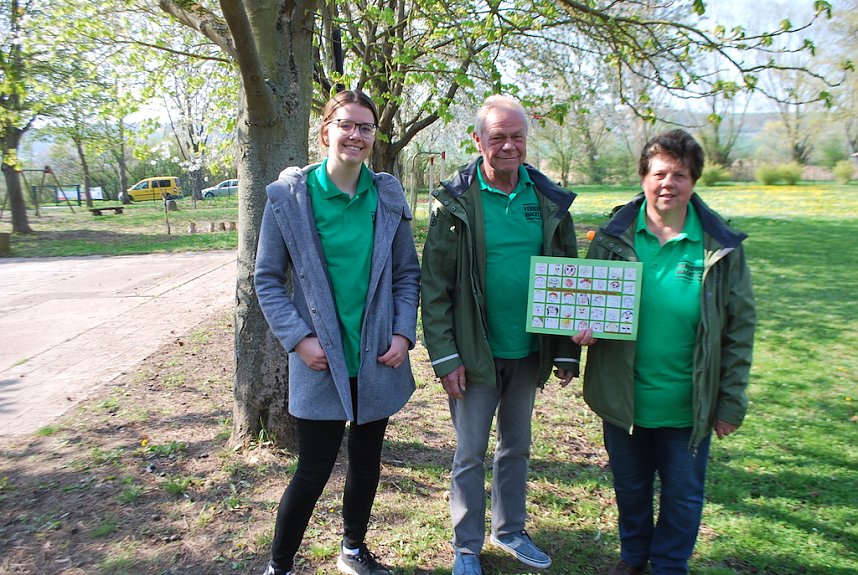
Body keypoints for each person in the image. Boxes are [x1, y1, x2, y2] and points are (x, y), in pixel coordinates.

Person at [572, 129, 755, 575]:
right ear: (643, 177)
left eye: (680, 174)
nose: (667, 183)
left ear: (694, 181)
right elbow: (587, 304)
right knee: (630, 489)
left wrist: (730, 400)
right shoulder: (614, 237)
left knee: (683, 494)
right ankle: (634, 558)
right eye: (659, 173)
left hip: (687, 403)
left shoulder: (718, 246)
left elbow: (739, 328)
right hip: (624, 398)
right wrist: (584, 330)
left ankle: (670, 565)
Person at [254, 90, 420, 575]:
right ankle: (279, 566)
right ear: (325, 130)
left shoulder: (386, 195)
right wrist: (298, 339)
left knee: (367, 464)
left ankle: (353, 550)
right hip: (319, 359)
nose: (356, 135)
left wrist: (403, 333)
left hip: (375, 357)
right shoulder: (290, 197)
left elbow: (407, 273)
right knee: (312, 470)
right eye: (347, 124)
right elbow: (265, 278)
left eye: (366, 127)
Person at [420, 94, 580, 575]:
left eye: (517, 136)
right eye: (497, 137)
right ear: (477, 141)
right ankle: (466, 547)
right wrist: (445, 357)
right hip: (475, 353)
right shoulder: (455, 204)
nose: (508, 146)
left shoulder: (547, 200)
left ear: (526, 140)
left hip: (528, 350)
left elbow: (568, 274)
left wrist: (568, 352)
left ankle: (509, 529)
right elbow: (436, 286)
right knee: (469, 452)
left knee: (517, 445)